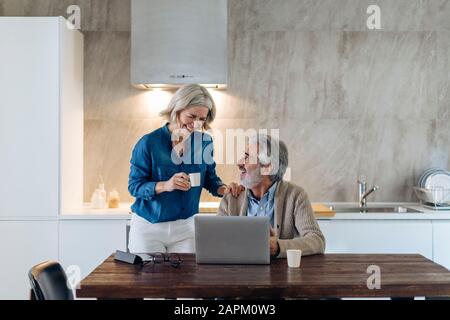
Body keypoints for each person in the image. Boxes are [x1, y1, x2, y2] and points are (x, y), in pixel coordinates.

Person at [128, 84, 243, 254]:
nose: (196, 124)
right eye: (192, 116)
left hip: (186, 229)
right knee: (148, 279)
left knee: (186, 279)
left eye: (202, 119)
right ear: (177, 110)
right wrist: (165, 185)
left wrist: (224, 189)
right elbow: (134, 186)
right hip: (149, 226)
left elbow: (210, 178)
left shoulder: (205, 142)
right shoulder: (148, 143)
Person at [217, 134, 325, 258]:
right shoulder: (232, 197)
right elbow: (215, 240)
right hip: (238, 272)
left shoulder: (295, 196)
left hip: (281, 275)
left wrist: (278, 247)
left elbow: (317, 240)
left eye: (247, 158)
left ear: (267, 168)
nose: (239, 163)